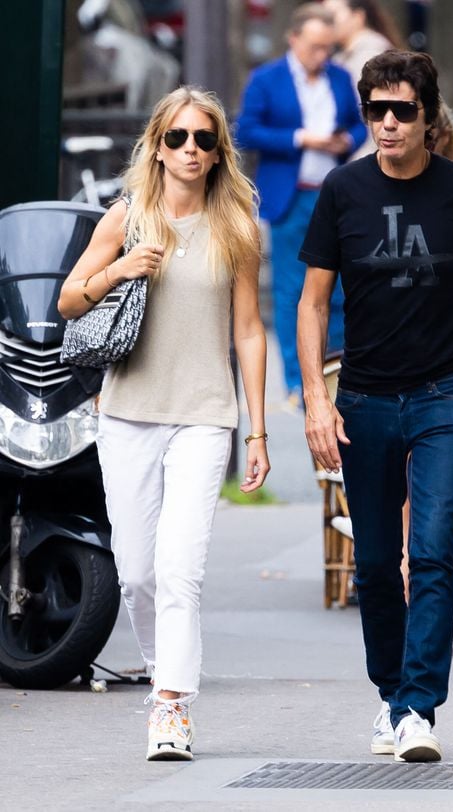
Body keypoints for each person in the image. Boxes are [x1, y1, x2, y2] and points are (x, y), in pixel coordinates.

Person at [297, 50, 453, 762]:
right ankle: (392, 693)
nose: (388, 123)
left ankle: (418, 707)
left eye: (402, 110)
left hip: (446, 394)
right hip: (364, 398)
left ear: (429, 117)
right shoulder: (342, 189)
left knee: (430, 553)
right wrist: (316, 400)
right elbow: (312, 303)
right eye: (376, 111)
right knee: (374, 565)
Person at [58, 86, 270, 760]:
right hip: (127, 414)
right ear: (156, 145)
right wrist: (120, 268)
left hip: (204, 416)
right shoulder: (127, 216)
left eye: (204, 139)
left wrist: (257, 430)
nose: (190, 150)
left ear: (219, 152)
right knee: (137, 573)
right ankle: (163, 675)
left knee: (180, 568)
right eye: (177, 137)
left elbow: (249, 330)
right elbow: (68, 301)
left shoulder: (236, 226)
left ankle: (171, 704)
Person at [236, 3, 366, 408]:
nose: (322, 55)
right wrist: (300, 138)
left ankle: (337, 373)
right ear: (293, 40)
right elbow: (246, 131)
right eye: (314, 47)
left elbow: (359, 122)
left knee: (340, 289)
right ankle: (298, 383)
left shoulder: (340, 77)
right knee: (293, 289)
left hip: (334, 195)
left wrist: (346, 140)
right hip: (289, 196)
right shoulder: (267, 78)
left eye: (328, 47)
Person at [323, 0, 404, 160]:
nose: (328, 23)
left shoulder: (371, 55)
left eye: (333, 15)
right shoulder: (343, 56)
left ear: (358, 17)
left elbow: (372, 114)